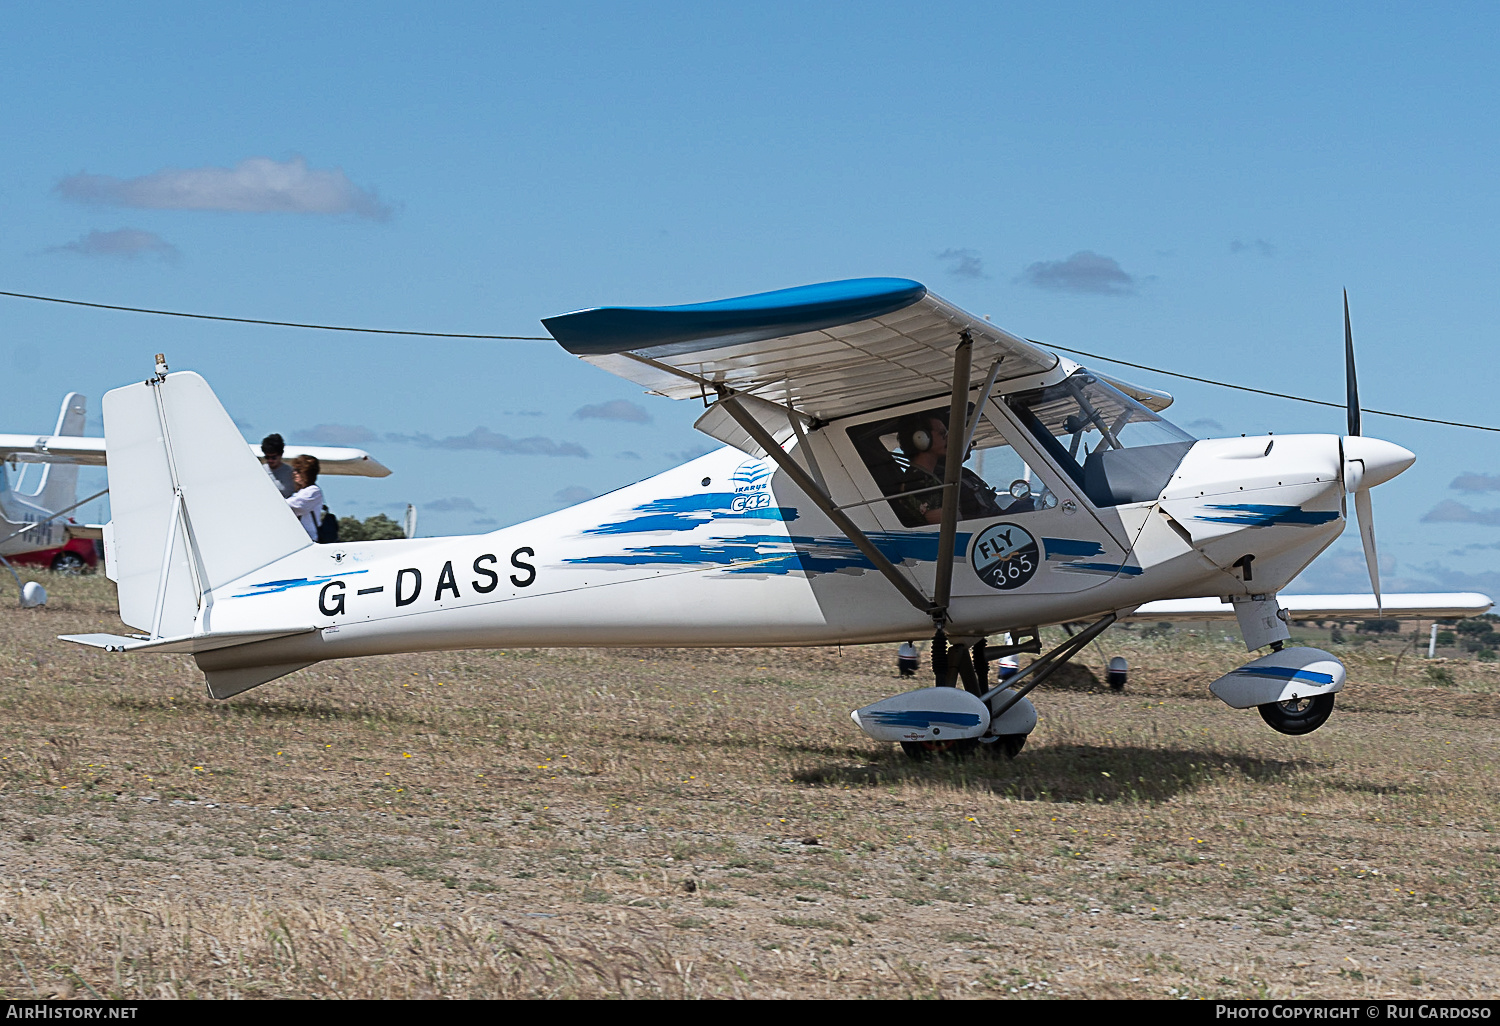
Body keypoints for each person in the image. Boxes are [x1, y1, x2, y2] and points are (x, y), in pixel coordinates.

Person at [892, 411, 1006, 525]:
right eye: (942, 434)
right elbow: (949, 527)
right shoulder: (918, 482)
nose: (949, 439)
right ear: (921, 439)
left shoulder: (927, 476)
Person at [286, 455, 324, 540]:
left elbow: (297, 507)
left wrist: (275, 501)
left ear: (307, 473)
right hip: (298, 538)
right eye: (294, 470)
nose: (294, 473)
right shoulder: (300, 492)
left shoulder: (313, 491)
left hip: (310, 538)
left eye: (298, 471)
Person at [261, 433, 296, 498]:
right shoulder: (260, 470)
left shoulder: (291, 473)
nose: (270, 460)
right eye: (267, 457)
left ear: (281, 455)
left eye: (273, 457)